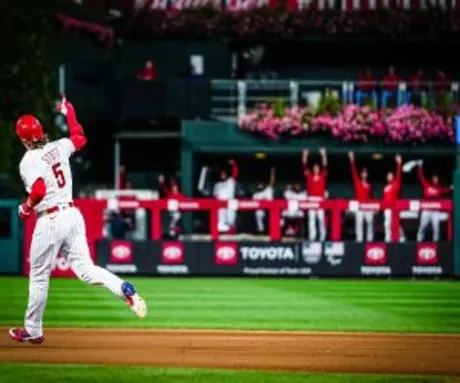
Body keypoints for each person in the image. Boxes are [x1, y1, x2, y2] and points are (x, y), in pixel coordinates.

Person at [9, 97, 147, 345]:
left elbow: (39, 190)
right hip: (73, 214)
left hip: (50, 218)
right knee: (86, 270)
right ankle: (123, 288)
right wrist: (69, 111)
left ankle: (33, 330)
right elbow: (80, 137)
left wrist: (26, 208)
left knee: (39, 276)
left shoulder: (28, 160)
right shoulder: (60, 146)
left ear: (24, 139)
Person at [416, 161, 452, 242]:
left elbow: (447, 190)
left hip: (435, 211)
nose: (436, 179)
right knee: (422, 226)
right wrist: (420, 167)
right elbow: (421, 177)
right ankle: (419, 241)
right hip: (426, 209)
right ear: (432, 179)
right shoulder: (427, 185)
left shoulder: (439, 189)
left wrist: (452, 187)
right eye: (434, 178)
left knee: (436, 228)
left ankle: (436, 243)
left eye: (437, 178)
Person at [302, 148, 328, 241]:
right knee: (311, 218)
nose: (316, 169)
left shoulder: (322, 175)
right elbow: (304, 165)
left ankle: (322, 237)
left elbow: (325, 165)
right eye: (314, 168)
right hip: (311, 199)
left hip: (320, 199)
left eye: (317, 168)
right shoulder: (309, 175)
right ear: (313, 169)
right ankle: (312, 237)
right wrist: (305, 155)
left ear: (319, 169)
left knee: (321, 218)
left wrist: (323, 154)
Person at [348, 151, 373, 242]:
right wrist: (352, 160)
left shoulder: (369, 185)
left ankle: (370, 239)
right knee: (359, 223)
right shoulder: (357, 182)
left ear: (367, 175)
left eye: (365, 173)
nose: (364, 174)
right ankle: (359, 239)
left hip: (367, 205)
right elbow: (354, 172)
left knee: (369, 222)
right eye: (363, 173)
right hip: (359, 205)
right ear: (361, 174)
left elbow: (371, 196)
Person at [383, 155, 405, 242]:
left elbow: (399, 175)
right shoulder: (385, 188)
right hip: (387, 208)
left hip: (395, 208)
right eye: (388, 176)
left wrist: (399, 164)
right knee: (387, 224)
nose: (389, 177)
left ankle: (402, 237)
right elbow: (384, 199)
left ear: (393, 177)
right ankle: (388, 239)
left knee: (396, 224)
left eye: (391, 175)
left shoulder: (396, 184)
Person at [213, 159, 239, 233]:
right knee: (221, 222)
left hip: (230, 203)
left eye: (224, 174)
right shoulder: (217, 185)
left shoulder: (230, 181)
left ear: (226, 174)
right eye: (221, 174)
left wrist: (234, 164)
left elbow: (235, 173)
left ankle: (232, 234)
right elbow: (215, 197)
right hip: (220, 205)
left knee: (231, 221)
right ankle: (223, 235)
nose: (222, 175)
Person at [252, 167, 276, 233]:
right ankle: (261, 230)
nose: (260, 186)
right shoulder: (255, 194)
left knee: (272, 215)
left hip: (271, 209)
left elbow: (272, 182)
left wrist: (272, 173)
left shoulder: (268, 190)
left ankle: (272, 230)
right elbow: (254, 205)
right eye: (259, 185)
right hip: (262, 210)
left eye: (261, 185)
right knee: (258, 213)